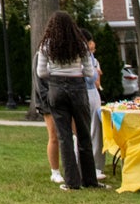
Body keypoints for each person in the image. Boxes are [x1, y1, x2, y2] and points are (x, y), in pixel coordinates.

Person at [35, 10, 101, 191]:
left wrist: (56, 73)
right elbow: (89, 72)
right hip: (78, 88)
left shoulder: (46, 45)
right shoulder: (80, 44)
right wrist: (76, 71)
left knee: (64, 137)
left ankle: (71, 181)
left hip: (56, 89)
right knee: (84, 134)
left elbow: (41, 72)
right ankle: (90, 179)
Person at [81, 30, 105, 178]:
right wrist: (96, 72)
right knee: (94, 131)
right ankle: (94, 167)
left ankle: (83, 166)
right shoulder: (87, 56)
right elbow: (92, 79)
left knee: (80, 131)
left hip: (81, 93)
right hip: (89, 93)